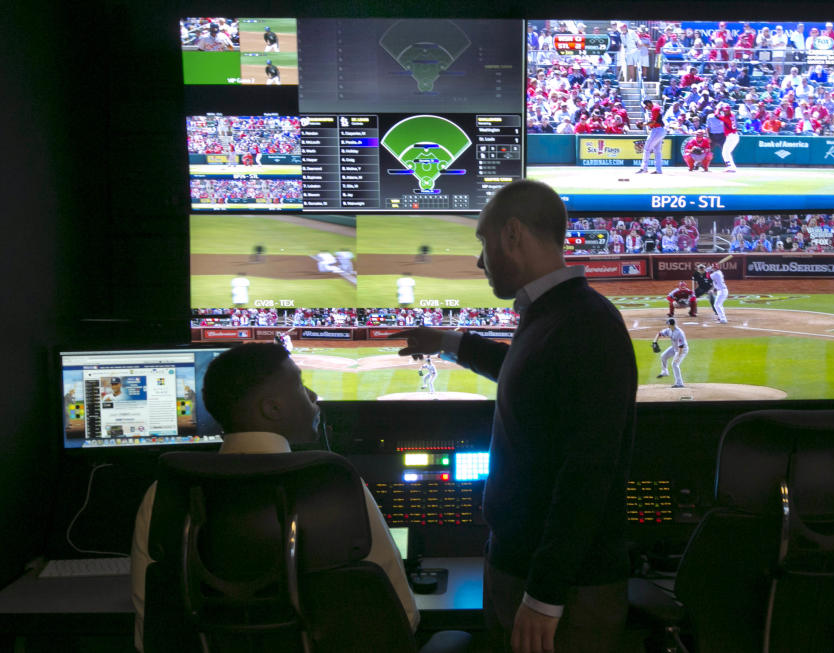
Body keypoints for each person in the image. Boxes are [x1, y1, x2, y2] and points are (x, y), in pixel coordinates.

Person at [396, 180, 636, 653]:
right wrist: (448, 341)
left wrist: (545, 596)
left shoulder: (586, 324)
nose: (480, 262)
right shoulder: (557, 315)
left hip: (562, 591)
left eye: (483, 244)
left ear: (512, 235)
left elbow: (588, 472)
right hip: (526, 569)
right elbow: (525, 375)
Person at [130, 344, 418, 652]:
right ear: (272, 408)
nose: (313, 395)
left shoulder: (164, 492)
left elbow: (152, 633)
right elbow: (404, 618)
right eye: (299, 383)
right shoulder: (336, 485)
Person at [654, 318, 689, 388]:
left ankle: (679, 383)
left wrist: (678, 357)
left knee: (675, 364)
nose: (667, 325)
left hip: (682, 350)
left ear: (670, 324)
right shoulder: (669, 330)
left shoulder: (679, 333)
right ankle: (665, 372)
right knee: (663, 356)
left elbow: (681, 346)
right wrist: (654, 342)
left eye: (667, 324)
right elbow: (659, 334)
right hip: (674, 347)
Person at [636, 99, 666, 174]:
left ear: (649, 103)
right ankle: (658, 170)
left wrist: (643, 124)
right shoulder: (655, 106)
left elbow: (653, 122)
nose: (646, 108)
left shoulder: (655, 108)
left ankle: (643, 168)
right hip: (660, 130)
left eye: (646, 106)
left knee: (647, 149)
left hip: (657, 130)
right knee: (657, 151)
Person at [718, 103, 740, 172]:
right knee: (727, 152)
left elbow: (716, 115)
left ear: (729, 110)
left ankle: (729, 167)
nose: (725, 111)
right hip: (734, 136)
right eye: (724, 110)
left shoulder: (726, 118)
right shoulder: (732, 115)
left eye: (727, 110)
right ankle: (732, 167)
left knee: (724, 152)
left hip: (731, 136)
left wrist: (718, 108)